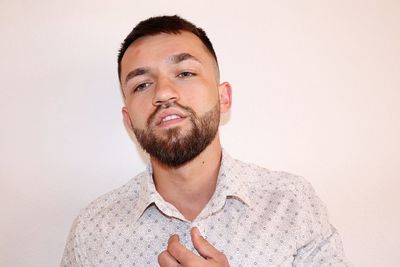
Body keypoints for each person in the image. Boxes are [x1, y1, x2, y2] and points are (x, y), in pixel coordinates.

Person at [61, 15, 349, 266]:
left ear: (223, 98)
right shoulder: (92, 231)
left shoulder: (291, 204)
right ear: (129, 121)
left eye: (185, 73)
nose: (163, 93)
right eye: (142, 84)